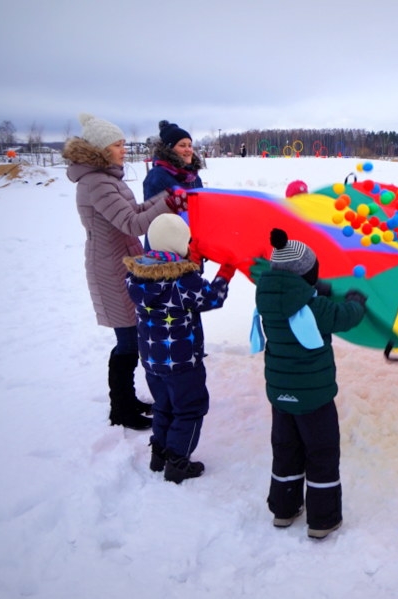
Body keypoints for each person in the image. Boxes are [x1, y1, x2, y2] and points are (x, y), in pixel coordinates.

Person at [63, 113, 187, 430]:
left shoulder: (107, 179)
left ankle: (126, 401)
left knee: (132, 337)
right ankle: (121, 409)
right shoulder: (95, 183)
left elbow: (135, 211)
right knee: (128, 340)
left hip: (124, 261)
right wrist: (168, 205)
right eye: (118, 145)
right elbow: (131, 223)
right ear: (102, 149)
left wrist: (167, 199)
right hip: (111, 267)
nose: (123, 149)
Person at [253, 228, 367, 539]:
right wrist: (356, 300)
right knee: (322, 452)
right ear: (307, 274)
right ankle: (323, 519)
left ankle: (284, 508)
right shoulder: (314, 308)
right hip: (314, 399)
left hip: (280, 395)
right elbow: (345, 316)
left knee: (286, 449)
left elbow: (299, 295)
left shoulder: (267, 297)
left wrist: (318, 290)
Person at [123, 214, 233, 483]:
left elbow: (180, 283)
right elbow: (210, 298)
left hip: (152, 361)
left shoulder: (136, 276)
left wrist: (191, 263)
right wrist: (226, 272)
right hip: (183, 363)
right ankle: (178, 461)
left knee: (164, 405)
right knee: (190, 408)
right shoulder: (183, 282)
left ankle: (159, 454)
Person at [143, 120, 204, 202]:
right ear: (169, 149)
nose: (188, 150)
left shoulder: (193, 176)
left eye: (190, 145)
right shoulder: (157, 176)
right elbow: (152, 211)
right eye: (182, 145)